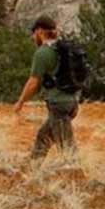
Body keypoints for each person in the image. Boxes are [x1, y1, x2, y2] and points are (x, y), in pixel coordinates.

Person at [14, 15, 78, 158]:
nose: (32, 37)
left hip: (58, 105)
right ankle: (34, 171)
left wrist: (20, 102)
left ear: (40, 31)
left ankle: (76, 176)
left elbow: (33, 82)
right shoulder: (62, 49)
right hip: (71, 102)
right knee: (43, 138)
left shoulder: (42, 53)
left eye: (33, 33)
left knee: (67, 149)